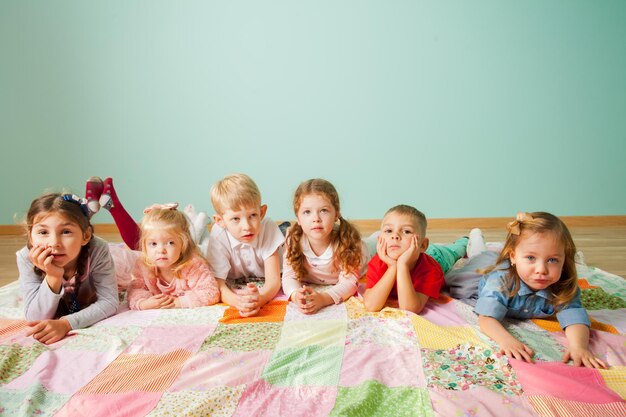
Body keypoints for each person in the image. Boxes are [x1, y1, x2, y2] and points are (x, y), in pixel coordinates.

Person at [448, 212, 607, 369]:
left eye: (552, 260)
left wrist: (579, 347)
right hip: (485, 269)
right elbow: (486, 318)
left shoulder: (563, 285)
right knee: (477, 256)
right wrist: (506, 340)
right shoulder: (499, 281)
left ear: (564, 260)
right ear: (513, 257)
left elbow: (574, 317)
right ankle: (473, 240)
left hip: (512, 261)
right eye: (531, 258)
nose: (541, 270)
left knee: (498, 253)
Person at [17, 193, 119, 344]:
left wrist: (66, 323)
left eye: (66, 232)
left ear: (85, 236)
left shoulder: (97, 249)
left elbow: (109, 301)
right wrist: (53, 276)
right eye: (43, 232)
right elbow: (35, 317)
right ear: (31, 237)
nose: (54, 243)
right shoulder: (25, 257)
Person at [363, 204, 469, 314]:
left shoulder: (430, 269)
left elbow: (409, 308)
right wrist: (393, 267)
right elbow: (371, 305)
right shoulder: (377, 262)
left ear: (423, 245)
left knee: (455, 251)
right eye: (389, 230)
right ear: (379, 239)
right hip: (418, 251)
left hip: (438, 256)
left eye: (407, 231)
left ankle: (465, 241)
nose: (395, 236)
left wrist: (402, 265)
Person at [282, 179, 367, 314]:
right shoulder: (293, 240)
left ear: (336, 214)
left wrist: (323, 298)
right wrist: (295, 294)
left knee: (374, 245)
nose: (316, 218)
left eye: (323, 210)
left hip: (365, 255)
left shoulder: (347, 243)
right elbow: (288, 276)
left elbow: (349, 283)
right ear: (297, 218)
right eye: (307, 212)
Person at [206, 173, 284, 317]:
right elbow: (219, 286)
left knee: (289, 241)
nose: (247, 226)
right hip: (232, 269)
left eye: (253, 215)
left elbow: (273, 281)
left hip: (273, 253)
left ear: (262, 212)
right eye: (235, 218)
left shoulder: (267, 228)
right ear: (220, 220)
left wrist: (260, 299)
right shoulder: (218, 234)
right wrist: (239, 302)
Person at [127, 204, 220, 310]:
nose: (161, 250)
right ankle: (194, 222)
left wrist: (178, 302)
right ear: (144, 245)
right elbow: (134, 290)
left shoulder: (193, 264)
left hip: (200, 251)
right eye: (153, 244)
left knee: (205, 245)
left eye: (170, 243)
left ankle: (199, 223)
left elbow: (211, 291)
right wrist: (143, 303)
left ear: (183, 244)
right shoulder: (143, 265)